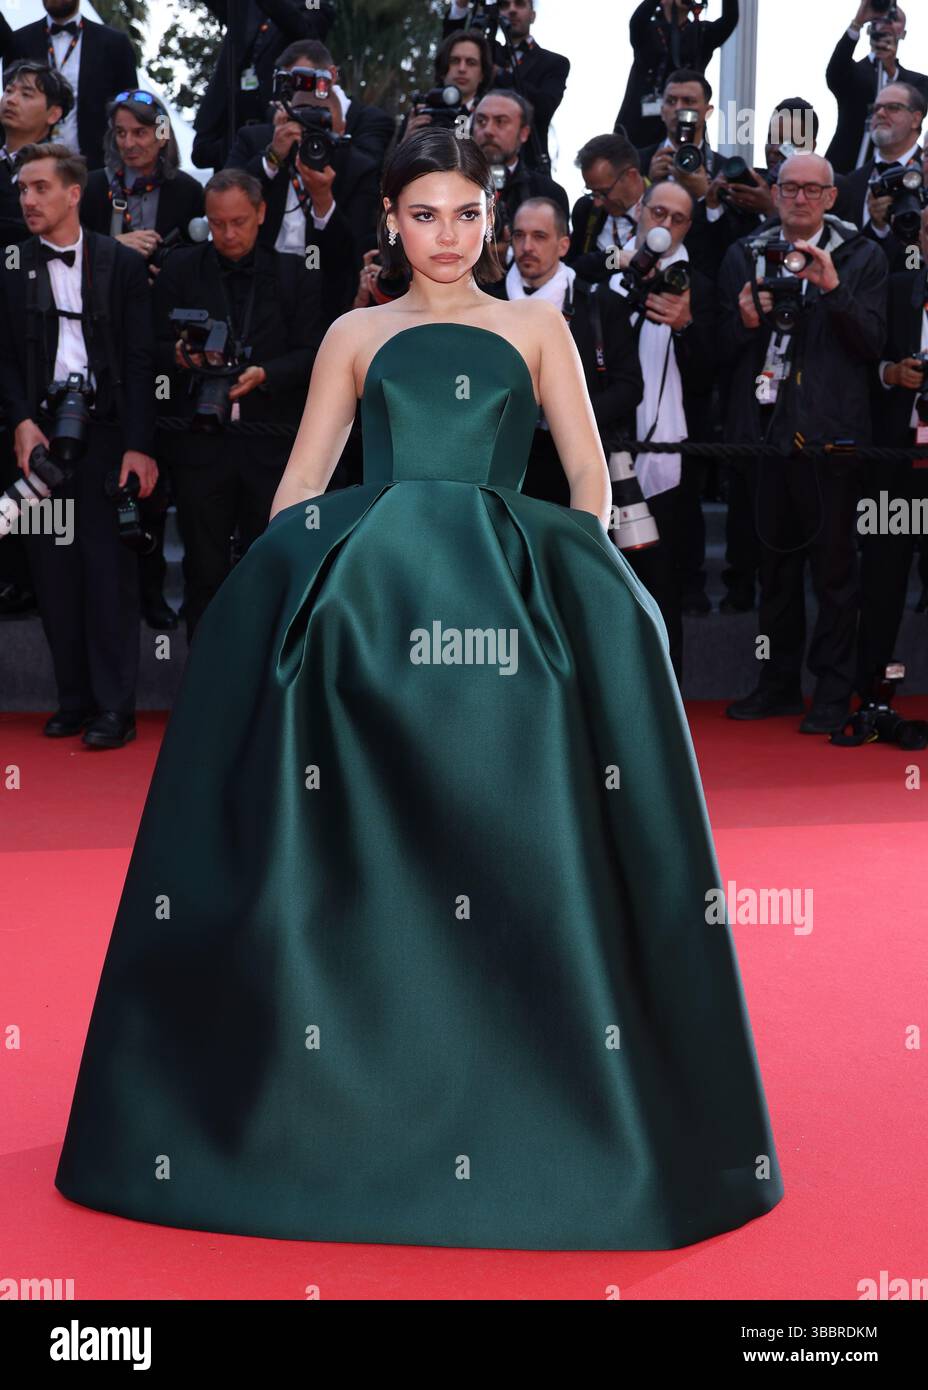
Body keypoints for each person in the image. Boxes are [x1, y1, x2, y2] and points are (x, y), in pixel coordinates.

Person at [53, 126, 784, 1251]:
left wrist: (582, 586)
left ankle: (529, 1084)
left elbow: (587, 473)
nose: (445, 237)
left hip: (509, 618)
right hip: (370, 619)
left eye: (465, 214)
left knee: (509, 850)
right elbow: (305, 480)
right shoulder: (354, 332)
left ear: (493, 221)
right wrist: (271, 601)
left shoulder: (537, 327)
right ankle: (347, 1081)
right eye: (422, 215)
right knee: (365, 853)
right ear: (390, 222)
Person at [719, 153, 888, 734]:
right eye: (788, 188)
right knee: (776, 574)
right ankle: (776, 684)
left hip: (831, 441)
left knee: (836, 575)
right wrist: (743, 320)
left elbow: (872, 344)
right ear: (773, 192)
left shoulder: (863, 255)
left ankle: (835, 694)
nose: (799, 199)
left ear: (832, 198)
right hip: (766, 438)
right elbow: (713, 353)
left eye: (812, 190)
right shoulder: (745, 254)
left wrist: (833, 290)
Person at [0, 142, 156, 749]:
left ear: (73, 193)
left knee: (107, 574)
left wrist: (140, 446)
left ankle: (116, 709)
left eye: (39, 188)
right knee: (55, 575)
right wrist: (19, 422)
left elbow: (142, 363)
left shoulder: (119, 263)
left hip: (109, 435)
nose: (27, 199)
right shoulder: (10, 264)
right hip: (39, 442)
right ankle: (73, 700)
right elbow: (6, 359)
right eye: (21, 189)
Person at [152, 168, 323, 642]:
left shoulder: (294, 274)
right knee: (203, 571)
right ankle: (204, 695)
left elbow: (315, 353)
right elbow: (150, 345)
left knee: (272, 570)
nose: (227, 234)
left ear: (262, 214)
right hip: (199, 449)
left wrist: (267, 374)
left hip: (271, 449)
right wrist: (180, 355)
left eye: (238, 222)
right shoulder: (180, 268)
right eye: (217, 223)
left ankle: (267, 694)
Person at [609, 180, 718, 675]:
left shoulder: (702, 284)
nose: (665, 225)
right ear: (639, 212)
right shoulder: (609, 277)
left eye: (677, 219)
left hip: (669, 455)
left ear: (688, 227)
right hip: (607, 445)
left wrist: (688, 326)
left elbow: (710, 379)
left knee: (662, 579)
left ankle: (667, 689)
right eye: (658, 213)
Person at [225, 39, 382, 329]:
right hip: (257, 290)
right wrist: (272, 158)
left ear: (342, 126)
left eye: (321, 120)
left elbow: (352, 255)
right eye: (304, 117)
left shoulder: (359, 167)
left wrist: (324, 202)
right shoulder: (257, 141)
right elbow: (224, 199)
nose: (312, 130)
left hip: (324, 298)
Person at [0, 60, 73, 621]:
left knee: (24, 446)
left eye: (27, 92)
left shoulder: (66, 179)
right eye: (7, 88)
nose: (10, 98)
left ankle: (24, 578)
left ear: (53, 115)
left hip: (32, 333)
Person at [857, 203, 928, 697]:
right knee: (882, 579)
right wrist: (891, 374)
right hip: (896, 462)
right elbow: (859, 359)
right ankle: (872, 692)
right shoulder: (898, 288)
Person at [190, 0, 335, 171]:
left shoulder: (313, 3)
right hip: (230, 125)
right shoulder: (246, 7)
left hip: (276, 126)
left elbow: (305, 30)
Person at [0, 1, 137, 172]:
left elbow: (136, 109)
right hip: (26, 167)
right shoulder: (19, 40)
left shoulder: (115, 44)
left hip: (95, 169)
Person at [442, 0, 569, 171]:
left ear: (533, 15)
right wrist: (460, 6)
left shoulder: (554, 63)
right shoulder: (485, 53)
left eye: (520, 4)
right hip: (474, 161)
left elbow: (544, 107)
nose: (512, 11)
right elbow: (453, 46)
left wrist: (500, 74)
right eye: (504, 5)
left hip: (527, 167)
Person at [616, 0, 739, 149]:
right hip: (640, 125)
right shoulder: (646, 30)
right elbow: (637, 19)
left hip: (686, 123)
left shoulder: (702, 32)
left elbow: (730, 19)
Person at [825, 1, 928, 175]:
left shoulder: (919, 82)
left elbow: (916, 110)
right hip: (846, 170)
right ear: (869, 29)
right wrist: (858, 21)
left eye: (894, 19)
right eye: (881, 19)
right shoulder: (853, 73)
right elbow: (835, 71)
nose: (887, 22)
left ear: (903, 33)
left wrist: (890, 70)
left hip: (898, 174)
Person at [832, 80, 925, 269]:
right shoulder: (849, 183)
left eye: (893, 108)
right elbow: (844, 254)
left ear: (916, 119)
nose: (881, 114)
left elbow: (914, 262)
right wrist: (877, 228)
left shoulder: (926, 173)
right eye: (877, 108)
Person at [567, 133, 646, 286]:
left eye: (604, 192)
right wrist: (613, 258)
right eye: (592, 192)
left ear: (631, 176)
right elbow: (571, 269)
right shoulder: (585, 209)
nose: (598, 201)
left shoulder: (662, 210)